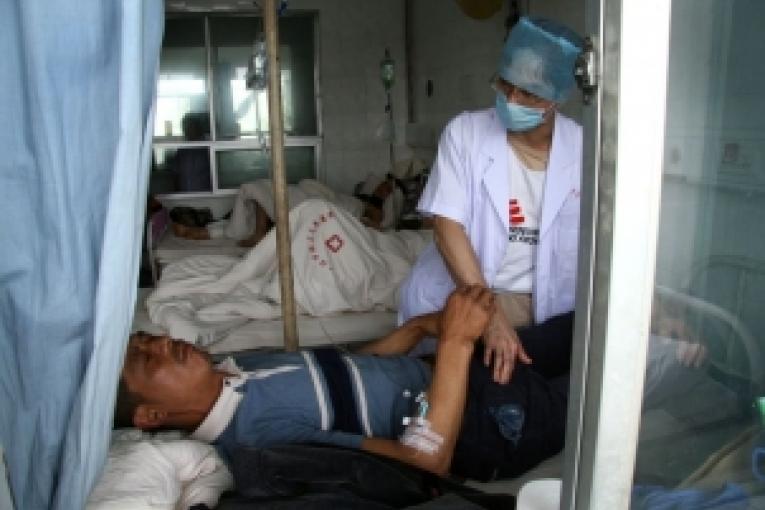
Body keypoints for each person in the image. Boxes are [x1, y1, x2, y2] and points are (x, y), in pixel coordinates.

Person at [117, 286, 574, 480]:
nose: (158, 341)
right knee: (625, 378)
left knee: (593, 327)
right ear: (151, 414)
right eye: (144, 357)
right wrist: (455, 343)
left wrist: (415, 330)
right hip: (489, 422)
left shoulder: (236, 371)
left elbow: (346, 374)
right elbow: (421, 463)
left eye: (144, 337)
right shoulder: (258, 440)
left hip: (460, 366)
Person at [398, 16, 584, 384]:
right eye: (505, 85)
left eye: (528, 93)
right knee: (435, 398)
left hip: (542, 305)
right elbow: (446, 225)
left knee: (510, 405)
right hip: (464, 292)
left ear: (557, 98)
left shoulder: (583, 151)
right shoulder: (465, 133)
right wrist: (492, 317)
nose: (511, 100)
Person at [172, 176, 402, 247]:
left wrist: (387, 193)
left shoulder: (371, 208)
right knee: (260, 197)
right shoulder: (359, 196)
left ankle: (205, 233)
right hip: (317, 197)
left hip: (322, 208)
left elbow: (372, 226)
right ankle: (207, 231)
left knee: (257, 192)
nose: (381, 187)